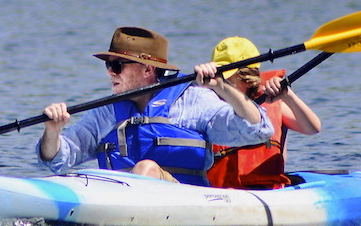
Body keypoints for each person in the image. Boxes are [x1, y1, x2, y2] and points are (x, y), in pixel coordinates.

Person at [37, 26, 274, 185]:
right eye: (108, 65)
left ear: (148, 70)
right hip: (120, 202)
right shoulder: (107, 111)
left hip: (187, 204)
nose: (110, 72)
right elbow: (57, 161)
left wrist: (221, 87)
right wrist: (52, 131)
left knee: (147, 168)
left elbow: (257, 129)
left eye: (118, 66)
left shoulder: (193, 101)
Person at [204, 36, 322, 190]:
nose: (221, 85)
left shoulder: (270, 102)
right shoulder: (208, 105)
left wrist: (288, 96)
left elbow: (312, 128)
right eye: (219, 78)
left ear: (247, 78)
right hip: (219, 193)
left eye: (227, 80)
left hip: (267, 191)